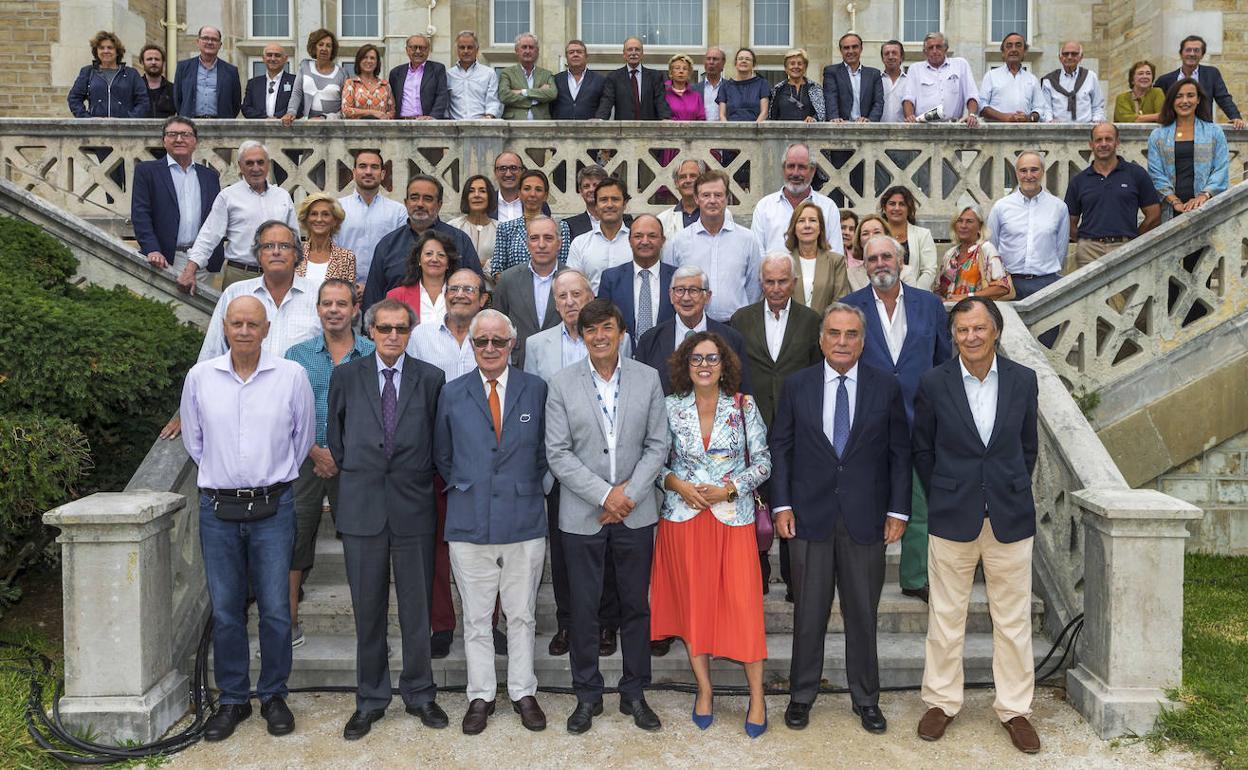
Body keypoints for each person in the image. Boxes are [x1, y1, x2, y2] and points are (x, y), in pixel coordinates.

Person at [771, 302, 910, 734]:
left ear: (863, 341)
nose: (842, 341)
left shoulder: (885, 386)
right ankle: (801, 695)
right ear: (821, 339)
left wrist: (898, 509)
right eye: (834, 333)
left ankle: (866, 698)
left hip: (865, 519)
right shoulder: (798, 385)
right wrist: (781, 505)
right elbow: (781, 448)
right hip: (808, 518)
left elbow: (899, 453)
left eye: (851, 334)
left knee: (862, 615)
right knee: (808, 613)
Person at [181, 294, 314, 743]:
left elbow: (303, 438)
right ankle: (234, 698)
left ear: (265, 329)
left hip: (273, 508)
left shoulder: (291, 376)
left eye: (251, 324)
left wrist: (267, 478)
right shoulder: (200, 377)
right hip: (217, 509)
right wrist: (227, 478)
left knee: (276, 609)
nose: (243, 331)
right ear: (224, 327)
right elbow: (194, 442)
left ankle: (274, 694)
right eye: (235, 323)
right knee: (226, 608)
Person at [913, 297, 1040, 755]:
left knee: (1013, 619)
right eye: (962, 330)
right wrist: (947, 492)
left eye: (979, 328)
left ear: (996, 331)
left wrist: (1001, 488)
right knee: (946, 616)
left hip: (1009, 515)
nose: (971, 337)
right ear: (954, 336)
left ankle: (1015, 709)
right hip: (952, 515)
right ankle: (942, 702)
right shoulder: (933, 383)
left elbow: (1028, 448)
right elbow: (922, 450)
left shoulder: (1024, 381)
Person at [544, 299, 671, 735]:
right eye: (591, 329)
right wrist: (604, 495)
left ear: (621, 332)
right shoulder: (561, 384)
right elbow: (557, 453)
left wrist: (628, 496)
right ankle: (587, 695)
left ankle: (634, 693)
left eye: (608, 327)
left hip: (636, 513)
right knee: (583, 610)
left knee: (636, 606)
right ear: (580, 335)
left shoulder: (648, 378)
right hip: (582, 515)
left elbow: (658, 444)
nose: (600, 335)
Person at [328, 298, 449, 740]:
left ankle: (420, 693)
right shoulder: (347, 376)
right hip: (362, 509)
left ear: (410, 331)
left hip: (414, 508)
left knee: (417, 611)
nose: (393, 336)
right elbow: (335, 437)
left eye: (400, 328)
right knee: (368, 610)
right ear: (370, 331)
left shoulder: (431, 379)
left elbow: (440, 441)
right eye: (384, 329)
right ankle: (371, 699)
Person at [433, 308, 551, 734]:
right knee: (477, 617)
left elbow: (544, 452)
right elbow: (443, 456)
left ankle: (523, 691)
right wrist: (473, 485)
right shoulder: (452, 393)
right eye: (481, 341)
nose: (488, 348)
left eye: (497, 341)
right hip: (470, 519)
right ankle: (480, 695)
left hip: (523, 519)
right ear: (472, 345)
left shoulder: (536, 390)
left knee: (520, 614)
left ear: (511, 345)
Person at [651, 333, 772, 737]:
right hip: (683, 520)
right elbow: (653, 462)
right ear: (686, 365)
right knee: (694, 609)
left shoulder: (743, 406)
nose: (704, 365)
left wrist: (730, 488)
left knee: (744, 608)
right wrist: (676, 484)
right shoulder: (669, 408)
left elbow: (764, 462)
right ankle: (704, 690)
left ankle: (757, 696)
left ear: (725, 365)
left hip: (732, 520)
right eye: (696, 358)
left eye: (713, 358)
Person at [523, 270, 629, 658]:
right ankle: (569, 623)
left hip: (610, 468)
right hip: (561, 469)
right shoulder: (536, 345)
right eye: (562, 296)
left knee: (610, 550)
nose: (570, 302)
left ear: (591, 296)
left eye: (577, 294)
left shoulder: (621, 341)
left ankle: (606, 624)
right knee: (566, 553)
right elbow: (533, 407)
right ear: (555, 304)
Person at [842, 235, 952, 604]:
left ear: (901, 261)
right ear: (864, 264)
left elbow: (943, 362)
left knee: (920, 502)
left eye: (886, 256)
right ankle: (862, 575)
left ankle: (915, 575)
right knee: (868, 501)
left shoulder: (929, 305)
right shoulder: (848, 307)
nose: (880, 264)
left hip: (921, 419)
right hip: (867, 421)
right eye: (872, 259)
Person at [160, 220, 322, 442]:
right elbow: (211, 353)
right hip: (241, 413)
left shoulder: (319, 297)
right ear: (258, 255)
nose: (276, 251)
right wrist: (188, 412)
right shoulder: (235, 293)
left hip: (300, 414)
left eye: (284, 246)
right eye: (268, 246)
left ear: (296, 254)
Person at [283, 279, 375, 649]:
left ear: (355, 309)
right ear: (318, 309)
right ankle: (287, 624)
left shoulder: (372, 352)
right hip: (305, 459)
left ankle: (368, 629)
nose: (334, 310)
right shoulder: (297, 356)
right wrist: (314, 450)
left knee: (361, 543)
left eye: (342, 303)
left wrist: (342, 454)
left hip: (356, 464)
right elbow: (284, 413)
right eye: (327, 304)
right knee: (294, 540)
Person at [729, 255, 822, 601]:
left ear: (794, 283)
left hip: (797, 427)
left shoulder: (812, 321)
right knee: (756, 502)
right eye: (770, 281)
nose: (776, 288)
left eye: (783, 281)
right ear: (761, 283)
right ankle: (758, 576)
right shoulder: (741, 320)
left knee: (791, 501)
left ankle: (795, 578)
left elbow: (818, 374)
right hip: (751, 427)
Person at [409, 268, 491, 659]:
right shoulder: (421, 336)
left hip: (486, 462)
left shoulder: (493, 335)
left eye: (468, 289)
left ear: (482, 298)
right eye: (453, 288)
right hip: (434, 460)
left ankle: (490, 624)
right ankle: (441, 624)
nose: (459, 294)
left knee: (488, 547)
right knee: (438, 548)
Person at [183, 141, 299, 293]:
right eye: (249, 163)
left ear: (268, 164)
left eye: (260, 162)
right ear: (240, 166)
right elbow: (209, 235)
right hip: (239, 275)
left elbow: (294, 239)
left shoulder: (282, 196)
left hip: (278, 275)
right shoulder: (228, 196)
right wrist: (190, 270)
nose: (255, 168)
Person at [362, 175, 483, 311]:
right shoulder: (387, 245)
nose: (420, 204)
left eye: (428, 199)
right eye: (414, 198)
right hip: (399, 329)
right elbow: (372, 300)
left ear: (439, 205)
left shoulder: (460, 241)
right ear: (406, 203)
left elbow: (478, 290)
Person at [131, 117, 222, 289]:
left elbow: (215, 219)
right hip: (164, 259)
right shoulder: (147, 172)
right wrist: (152, 249)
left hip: (202, 260)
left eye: (185, 134)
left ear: (195, 141)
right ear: (164, 140)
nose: (179, 139)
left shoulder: (210, 176)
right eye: (172, 134)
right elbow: (140, 215)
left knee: (201, 313)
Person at [634, 264, 751, 395]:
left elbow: (743, 393)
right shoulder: (650, 340)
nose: (686, 297)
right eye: (679, 290)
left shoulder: (732, 339)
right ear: (671, 295)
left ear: (707, 296)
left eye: (694, 290)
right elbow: (640, 393)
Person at [667, 170, 763, 322]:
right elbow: (671, 284)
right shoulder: (679, 241)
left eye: (718, 195)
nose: (712, 200)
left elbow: (754, 287)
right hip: (694, 325)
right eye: (706, 195)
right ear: (697, 199)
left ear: (727, 198)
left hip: (736, 325)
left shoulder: (747, 239)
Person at [1065, 122, 1161, 269]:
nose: (1103, 144)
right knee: (1092, 292)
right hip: (1089, 252)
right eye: (1098, 140)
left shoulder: (1136, 174)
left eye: (1108, 139)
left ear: (1117, 142)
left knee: (1130, 292)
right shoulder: (1079, 181)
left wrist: (1134, 240)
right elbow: (1069, 223)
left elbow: (1154, 214)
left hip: (1126, 248)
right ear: (1091, 144)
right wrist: (1086, 241)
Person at [986, 152, 1069, 299]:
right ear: (1016, 173)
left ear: (1043, 171)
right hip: (1008, 285)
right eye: (1023, 170)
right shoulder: (1001, 207)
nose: (1029, 175)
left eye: (1034, 169)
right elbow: (991, 247)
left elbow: (1061, 250)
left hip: (1046, 283)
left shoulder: (1059, 207)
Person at [1147, 79, 1230, 223]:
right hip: (1171, 209)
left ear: (1198, 100)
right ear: (1172, 101)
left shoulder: (1214, 132)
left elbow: (1221, 169)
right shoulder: (1158, 135)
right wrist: (1175, 202)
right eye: (1179, 96)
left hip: (1206, 206)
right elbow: (1155, 173)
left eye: (1190, 95)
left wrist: (1202, 196)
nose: (1184, 101)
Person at [492, 216, 564, 368]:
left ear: (559, 244)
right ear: (527, 243)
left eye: (548, 238)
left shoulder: (572, 279)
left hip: (562, 364)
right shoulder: (508, 279)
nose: (541, 245)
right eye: (534, 238)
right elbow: (497, 323)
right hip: (519, 364)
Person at [597, 214, 676, 343]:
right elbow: (603, 321)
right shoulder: (611, 278)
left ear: (663, 241)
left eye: (652, 236)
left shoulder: (677, 278)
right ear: (629, 241)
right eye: (638, 236)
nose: (645, 241)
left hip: (665, 357)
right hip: (624, 356)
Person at [751, 143, 841, 256]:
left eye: (802, 167)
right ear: (783, 169)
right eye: (791, 166)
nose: (795, 173)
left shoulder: (828, 208)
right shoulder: (764, 207)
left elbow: (836, 257)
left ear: (812, 171)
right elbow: (756, 256)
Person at [337, 150, 408, 292]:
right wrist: (351, 286)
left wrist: (373, 287)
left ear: (382, 174)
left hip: (385, 290)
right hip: (343, 290)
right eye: (363, 166)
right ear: (354, 172)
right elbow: (332, 251)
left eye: (374, 167)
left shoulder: (398, 212)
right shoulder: (337, 208)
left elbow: (401, 256)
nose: (368, 172)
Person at [489, 170, 571, 279]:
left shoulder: (560, 227)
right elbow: (497, 269)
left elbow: (564, 267)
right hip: (515, 293)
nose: (532, 194)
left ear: (546, 195)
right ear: (519, 193)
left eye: (538, 189)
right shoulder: (506, 228)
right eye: (527, 189)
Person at [1155, 34, 1243, 129]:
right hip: (1173, 129)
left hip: (1203, 129)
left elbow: (1223, 98)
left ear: (1202, 55)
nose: (1192, 54)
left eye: (1196, 50)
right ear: (1181, 54)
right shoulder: (1164, 80)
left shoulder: (1211, 74)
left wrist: (1235, 117)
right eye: (1188, 50)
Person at [936, 206, 1013, 301]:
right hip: (950, 312)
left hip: (976, 312)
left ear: (980, 226)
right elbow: (938, 290)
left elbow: (1002, 288)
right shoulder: (950, 253)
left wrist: (967, 297)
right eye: (960, 221)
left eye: (969, 221)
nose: (963, 225)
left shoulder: (986, 249)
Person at [567, 178, 631, 291]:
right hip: (592, 306)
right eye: (603, 200)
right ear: (596, 205)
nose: (609, 205)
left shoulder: (637, 243)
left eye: (615, 199)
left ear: (624, 204)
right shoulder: (580, 243)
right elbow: (572, 285)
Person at [68, 31, 149, 118]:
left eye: (110, 48)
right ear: (96, 51)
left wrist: (129, 120)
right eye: (101, 48)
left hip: (125, 129)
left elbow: (143, 101)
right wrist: (87, 119)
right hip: (96, 129)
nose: (106, 51)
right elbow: (74, 98)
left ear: (117, 51)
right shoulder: (88, 72)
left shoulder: (131, 74)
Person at [903, 33, 978, 126]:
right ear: (925, 51)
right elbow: (908, 98)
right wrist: (910, 117)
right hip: (923, 127)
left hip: (954, 126)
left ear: (945, 49)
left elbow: (971, 94)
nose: (934, 51)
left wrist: (972, 114)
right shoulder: (915, 69)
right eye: (930, 48)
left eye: (938, 47)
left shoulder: (960, 65)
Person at [386, 230, 458, 327]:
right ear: (419, 260)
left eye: (441, 255)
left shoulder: (460, 296)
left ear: (448, 263)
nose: (434, 259)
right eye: (428, 254)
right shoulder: (397, 296)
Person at [788, 202, 850, 312]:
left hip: (826, 326)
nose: (807, 225)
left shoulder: (836, 261)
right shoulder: (785, 263)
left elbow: (841, 301)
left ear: (820, 227)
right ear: (794, 228)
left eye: (812, 220)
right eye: (801, 221)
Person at [174, 26, 241, 118]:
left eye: (214, 39)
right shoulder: (183, 67)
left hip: (221, 126)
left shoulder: (231, 71)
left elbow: (235, 103)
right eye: (205, 38)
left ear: (220, 45)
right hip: (190, 124)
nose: (209, 42)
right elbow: (178, 99)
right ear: (198, 42)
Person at [879, 186, 938, 291]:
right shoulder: (877, 236)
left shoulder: (923, 235)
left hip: (916, 296)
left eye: (902, 204)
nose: (897, 208)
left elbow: (929, 271)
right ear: (884, 208)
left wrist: (913, 292)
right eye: (892, 204)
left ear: (909, 208)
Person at [597, 37, 670, 120]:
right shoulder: (614, 77)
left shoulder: (655, 76)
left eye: (637, 49)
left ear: (642, 54)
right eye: (630, 50)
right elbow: (607, 101)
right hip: (624, 130)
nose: (633, 53)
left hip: (649, 129)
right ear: (624, 54)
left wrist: (666, 119)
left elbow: (660, 101)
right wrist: (600, 119)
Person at [979, 32, 1045, 123]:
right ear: (1003, 53)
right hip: (995, 133)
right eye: (1009, 46)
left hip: (1025, 133)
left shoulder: (1032, 79)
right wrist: (1003, 117)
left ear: (1024, 52)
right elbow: (981, 106)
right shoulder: (991, 76)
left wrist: (1028, 118)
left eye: (1018, 45)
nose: (1013, 49)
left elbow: (1040, 109)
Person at [295, 192, 357, 289]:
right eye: (314, 214)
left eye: (325, 214)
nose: (319, 219)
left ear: (335, 220)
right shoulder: (294, 254)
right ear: (306, 219)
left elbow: (349, 297)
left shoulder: (347, 258)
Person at [283, 29, 345, 122]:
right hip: (308, 125)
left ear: (332, 50)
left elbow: (345, 106)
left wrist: (325, 117)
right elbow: (297, 93)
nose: (324, 48)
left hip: (333, 126)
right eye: (320, 44)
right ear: (314, 47)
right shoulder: (305, 66)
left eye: (328, 46)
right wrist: (291, 113)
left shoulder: (342, 73)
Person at [1041, 41, 1106, 123]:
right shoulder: (1049, 80)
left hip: (1086, 129)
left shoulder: (1090, 77)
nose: (1069, 57)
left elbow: (1097, 106)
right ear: (1060, 58)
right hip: (1058, 130)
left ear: (1081, 57)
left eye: (1074, 54)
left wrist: (1096, 121)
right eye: (1065, 54)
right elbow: (1046, 107)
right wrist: (1049, 121)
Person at [564, 165, 633, 242]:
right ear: (580, 190)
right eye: (586, 186)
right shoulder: (570, 225)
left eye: (596, 185)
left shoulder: (628, 222)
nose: (591, 189)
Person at [823, 34, 882, 122]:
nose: (851, 51)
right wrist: (834, 118)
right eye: (846, 48)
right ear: (841, 50)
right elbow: (831, 98)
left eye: (854, 47)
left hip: (866, 128)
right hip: (840, 127)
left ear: (861, 49)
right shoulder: (831, 72)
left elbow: (878, 102)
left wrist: (870, 120)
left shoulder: (874, 74)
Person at [446, 175, 499, 274]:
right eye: (471, 191)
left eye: (482, 191)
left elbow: (506, 266)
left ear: (490, 196)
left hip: (493, 288)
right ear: (466, 197)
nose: (476, 195)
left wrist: (477, 264)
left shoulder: (501, 229)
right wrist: (484, 263)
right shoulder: (453, 227)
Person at [388, 34, 450, 120]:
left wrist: (433, 117)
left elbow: (442, 96)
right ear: (407, 50)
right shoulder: (396, 73)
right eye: (414, 47)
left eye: (422, 48)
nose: (418, 51)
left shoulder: (437, 69)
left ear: (428, 50)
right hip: (401, 124)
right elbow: (392, 99)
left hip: (427, 124)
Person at [657, 159, 722, 239]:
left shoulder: (722, 213)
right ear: (676, 183)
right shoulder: (663, 219)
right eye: (682, 177)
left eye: (693, 176)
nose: (688, 180)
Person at [499, 33, 557, 120]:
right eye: (524, 47)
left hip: (542, 125)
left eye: (531, 47)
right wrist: (538, 96)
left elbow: (552, 94)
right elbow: (505, 96)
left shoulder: (546, 74)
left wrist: (523, 92)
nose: (527, 51)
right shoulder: (507, 73)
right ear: (517, 51)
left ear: (537, 51)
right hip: (514, 125)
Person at [447, 31, 501, 120]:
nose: (466, 51)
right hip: (455, 128)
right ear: (457, 50)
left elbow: (493, 100)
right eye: (462, 47)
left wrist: (489, 116)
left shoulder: (489, 74)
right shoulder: (449, 75)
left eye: (470, 47)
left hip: (482, 126)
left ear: (477, 49)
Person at [554, 39, 605, 119]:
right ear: (566, 57)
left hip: (590, 129)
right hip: (562, 129)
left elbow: (604, 104)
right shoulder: (556, 80)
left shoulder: (599, 80)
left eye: (579, 52)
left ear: (586, 56)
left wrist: (599, 119)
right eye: (571, 52)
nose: (575, 54)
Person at [768, 49, 823, 122]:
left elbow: (821, 113)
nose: (796, 66)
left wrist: (814, 119)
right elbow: (772, 116)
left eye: (800, 64)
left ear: (805, 67)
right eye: (792, 63)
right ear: (786, 68)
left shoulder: (815, 88)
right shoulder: (778, 89)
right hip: (783, 132)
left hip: (810, 131)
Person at [341, 44, 395, 120]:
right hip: (356, 130)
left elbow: (392, 112)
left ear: (377, 62)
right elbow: (346, 110)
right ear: (359, 61)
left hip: (381, 130)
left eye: (372, 58)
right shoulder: (351, 83)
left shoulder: (385, 85)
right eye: (365, 57)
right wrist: (372, 112)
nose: (369, 61)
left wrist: (386, 117)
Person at [243, 44, 296, 119]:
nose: (273, 59)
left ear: (285, 59)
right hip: (259, 128)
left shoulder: (295, 81)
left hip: (286, 127)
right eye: (269, 55)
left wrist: (278, 117)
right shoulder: (253, 83)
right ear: (263, 58)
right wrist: (265, 118)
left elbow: (299, 105)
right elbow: (246, 108)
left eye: (277, 55)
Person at [717, 47, 769, 122]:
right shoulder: (725, 87)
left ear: (753, 64)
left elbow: (764, 113)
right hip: (731, 130)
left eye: (747, 59)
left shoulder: (762, 84)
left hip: (755, 130)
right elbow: (722, 115)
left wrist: (754, 130)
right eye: (740, 59)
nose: (744, 61)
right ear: (736, 63)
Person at [489, 151, 542, 222]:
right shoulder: (487, 203)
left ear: (522, 171)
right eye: (502, 168)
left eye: (513, 168)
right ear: (495, 173)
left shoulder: (537, 202)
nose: (508, 174)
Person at [138, 44, 176, 118]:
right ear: (142, 62)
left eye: (157, 59)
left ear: (163, 62)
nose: (153, 62)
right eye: (149, 59)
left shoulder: (173, 89)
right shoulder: (135, 89)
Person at [664, 54, 706, 122]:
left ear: (689, 73)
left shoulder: (696, 96)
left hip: (692, 132)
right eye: (677, 68)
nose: (681, 71)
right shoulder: (664, 94)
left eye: (685, 69)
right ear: (671, 73)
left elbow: (701, 118)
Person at [851, 214, 888, 291]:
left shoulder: (905, 272)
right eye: (865, 233)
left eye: (877, 232)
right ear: (859, 241)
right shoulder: (850, 275)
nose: (871, 237)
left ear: (887, 236)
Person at [880, 40, 908, 123]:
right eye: (886, 53)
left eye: (894, 53)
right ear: (882, 58)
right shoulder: (876, 81)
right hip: (878, 132)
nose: (890, 57)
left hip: (904, 132)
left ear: (901, 57)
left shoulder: (909, 82)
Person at [700, 47, 726, 122]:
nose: (711, 62)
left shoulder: (730, 87)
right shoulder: (694, 89)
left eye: (715, 59)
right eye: (708, 59)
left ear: (723, 63)